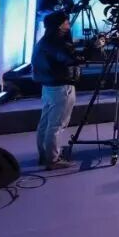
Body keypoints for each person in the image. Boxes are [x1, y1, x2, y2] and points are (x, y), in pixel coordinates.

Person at [32, 11, 82, 170]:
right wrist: (93, 48)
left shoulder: (45, 41)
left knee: (46, 123)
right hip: (61, 87)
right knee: (56, 125)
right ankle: (53, 159)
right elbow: (71, 59)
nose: (69, 24)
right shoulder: (58, 43)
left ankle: (44, 155)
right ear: (60, 25)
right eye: (66, 22)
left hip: (48, 86)